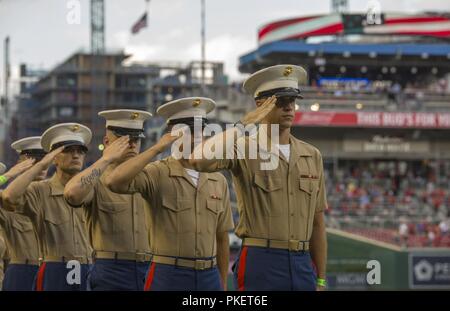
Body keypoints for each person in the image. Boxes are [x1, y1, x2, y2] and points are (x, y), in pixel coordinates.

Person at [189, 65, 328, 291]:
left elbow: (317, 222)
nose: (289, 107)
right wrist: (244, 124)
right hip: (262, 260)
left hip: (303, 263)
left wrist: (321, 279)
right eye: (280, 102)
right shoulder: (245, 148)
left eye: (293, 101)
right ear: (260, 105)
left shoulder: (311, 155)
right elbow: (199, 160)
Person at [107, 97, 234, 291]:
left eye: (202, 129)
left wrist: (223, 283)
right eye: (191, 131)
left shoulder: (218, 179)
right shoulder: (157, 172)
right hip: (169, 274)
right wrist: (158, 147)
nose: (199, 136)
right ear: (174, 135)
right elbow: (115, 181)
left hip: (209, 276)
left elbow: (222, 237)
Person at [64, 109, 153, 291]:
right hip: (112, 269)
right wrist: (106, 159)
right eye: (124, 140)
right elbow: (72, 193)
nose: (132, 145)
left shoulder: (151, 177)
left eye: (136, 140)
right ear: (107, 142)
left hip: (151, 268)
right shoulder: (96, 179)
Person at [2, 123, 93, 291]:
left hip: (86, 268)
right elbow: (8, 197)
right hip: (49, 268)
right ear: (54, 158)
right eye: (68, 150)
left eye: (80, 151)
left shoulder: (92, 189)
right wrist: (40, 165)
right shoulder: (39, 191)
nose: (76, 155)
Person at [0, 137, 46, 290]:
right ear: (21, 165)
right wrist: (7, 175)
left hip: (52, 270)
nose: (41, 165)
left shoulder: (60, 195)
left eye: (45, 159)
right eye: (35, 160)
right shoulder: (6, 199)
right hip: (22, 271)